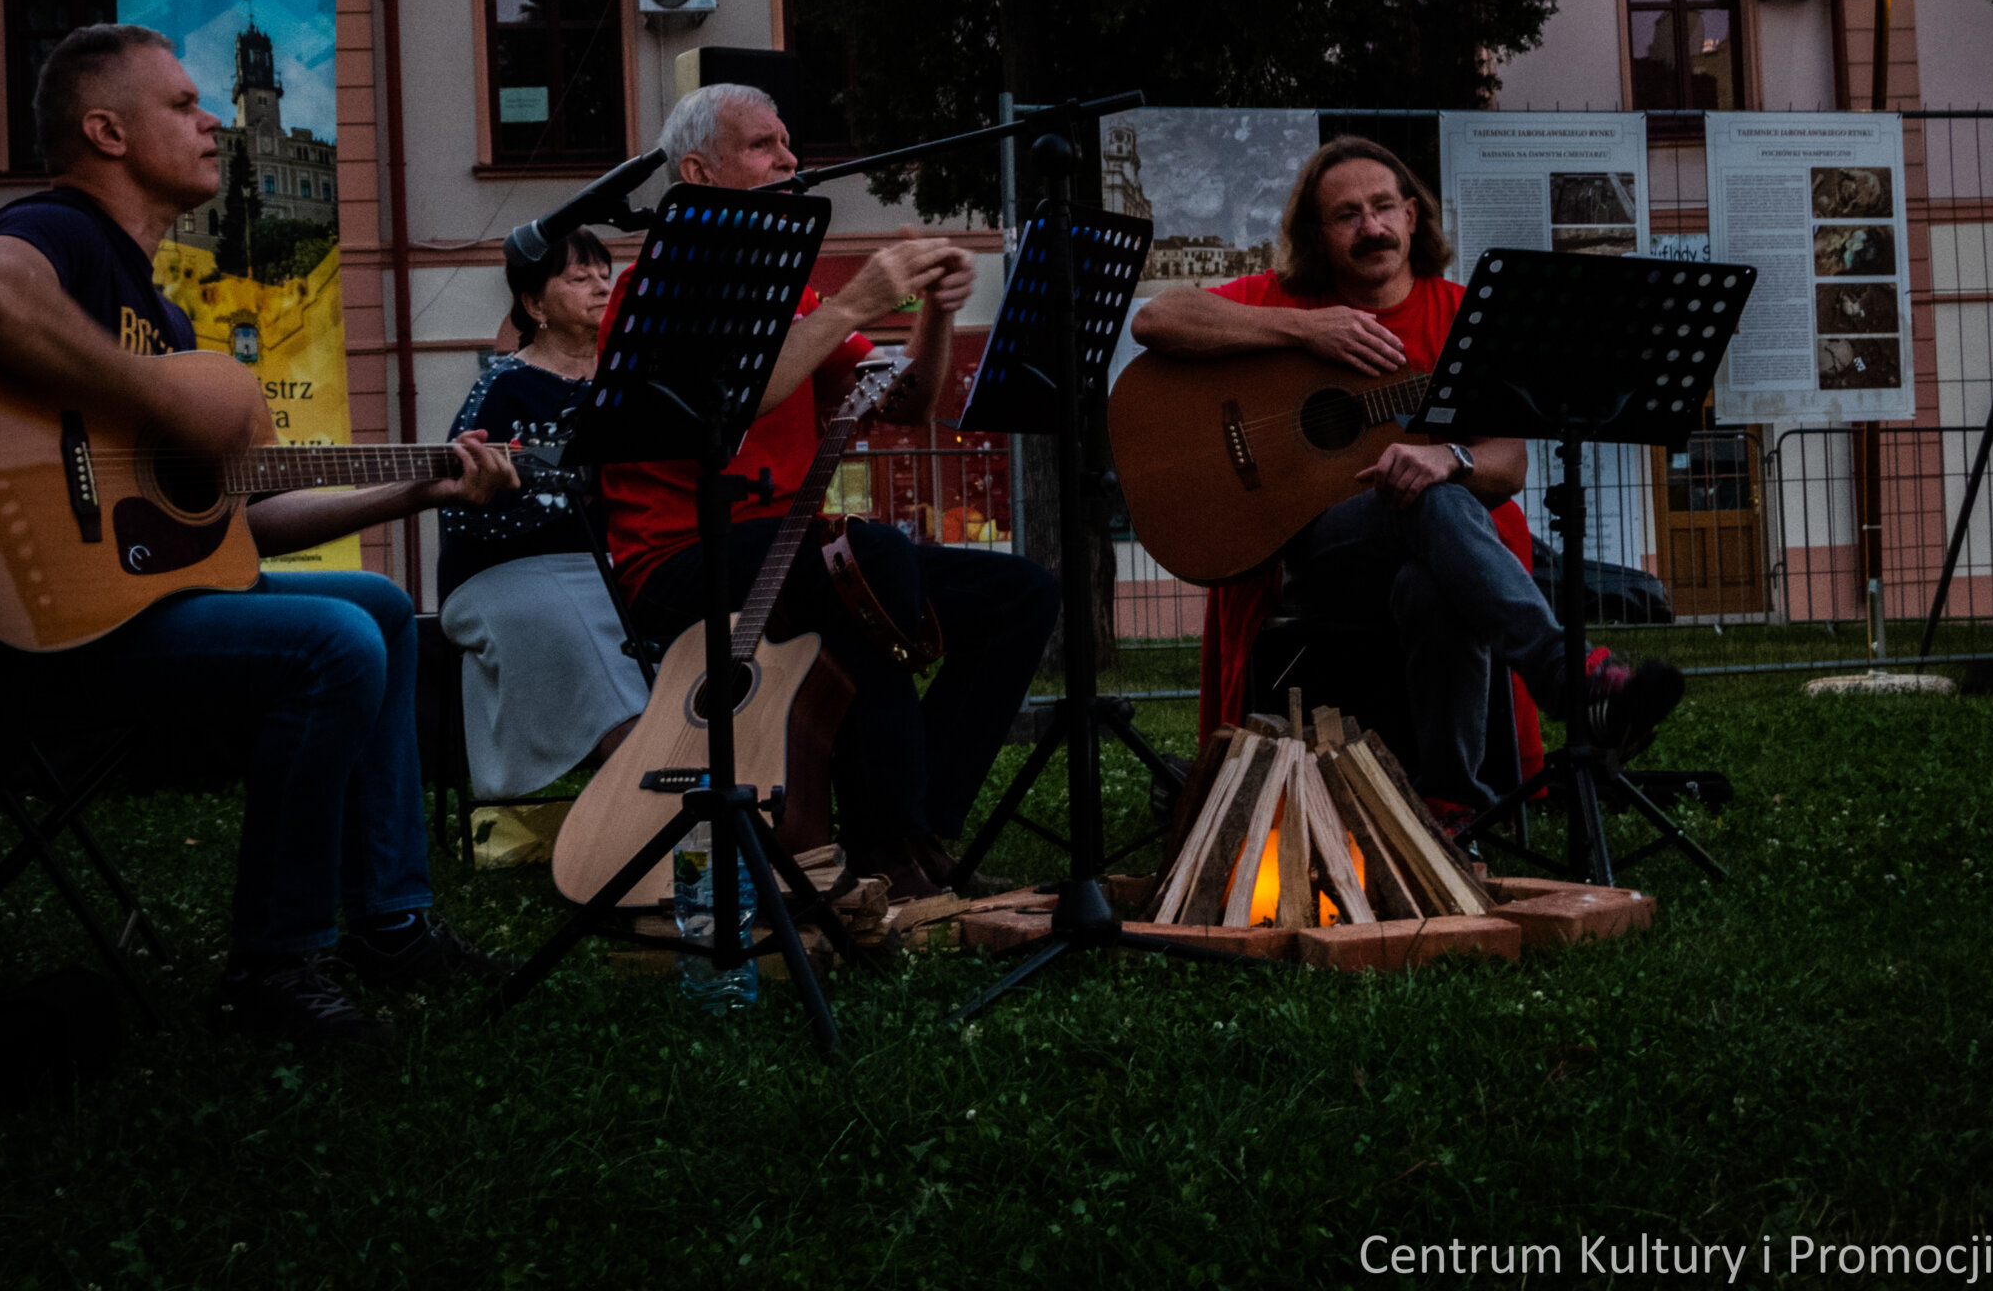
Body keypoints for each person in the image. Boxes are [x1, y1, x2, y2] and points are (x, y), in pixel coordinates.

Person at [0, 23, 517, 1046]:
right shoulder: (61, 230)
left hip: (140, 598)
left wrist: (420, 489)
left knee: (381, 607)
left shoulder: (165, 319)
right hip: (45, 619)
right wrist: (167, 400)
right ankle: (272, 967)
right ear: (106, 131)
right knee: (332, 644)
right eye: (181, 104)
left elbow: (241, 518)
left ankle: (388, 920)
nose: (212, 121)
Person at [1130, 136, 1685, 836]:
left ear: (1413, 216)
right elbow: (1156, 319)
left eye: (1384, 207)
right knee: (1427, 499)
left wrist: (1449, 459)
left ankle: (1449, 809)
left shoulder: (1460, 317)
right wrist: (1305, 329)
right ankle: (1570, 678)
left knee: (1432, 568)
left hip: (1433, 554)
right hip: (1312, 554)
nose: (1372, 227)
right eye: (1347, 215)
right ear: (1318, 234)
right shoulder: (1288, 299)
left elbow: (1508, 464)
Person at [601, 83, 1057, 898]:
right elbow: (730, 406)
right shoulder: (656, 286)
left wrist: (934, 313)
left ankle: (917, 829)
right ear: (698, 173)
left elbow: (906, 405)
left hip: (789, 551)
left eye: (788, 143)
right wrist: (857, 299)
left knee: (1020, 593)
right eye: (763, 146)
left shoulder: (797, 298)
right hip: (680, 559)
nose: (790, 161)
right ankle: (889, 846)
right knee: (868, 560)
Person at [437, 228, 654, 799]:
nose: (601, 287)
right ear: (535, 305)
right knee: (583, 635)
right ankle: (648, 794)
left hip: (617, 565)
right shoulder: (504, 386)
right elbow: (463, 517)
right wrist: (565, 488)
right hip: (503, 573)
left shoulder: (632, 377)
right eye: (580, 278)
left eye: (605, 275)